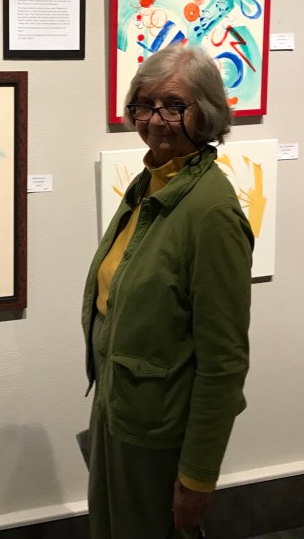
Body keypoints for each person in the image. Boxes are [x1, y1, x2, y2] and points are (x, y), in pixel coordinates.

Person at [81, 44, 254, 538]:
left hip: (157, 431)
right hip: (121, 410)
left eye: (174, 106)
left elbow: (224, 363)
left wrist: (197, 477)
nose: (156, 119)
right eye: (145, 104)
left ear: (207, 112)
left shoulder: (211, 213)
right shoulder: (150, 184)